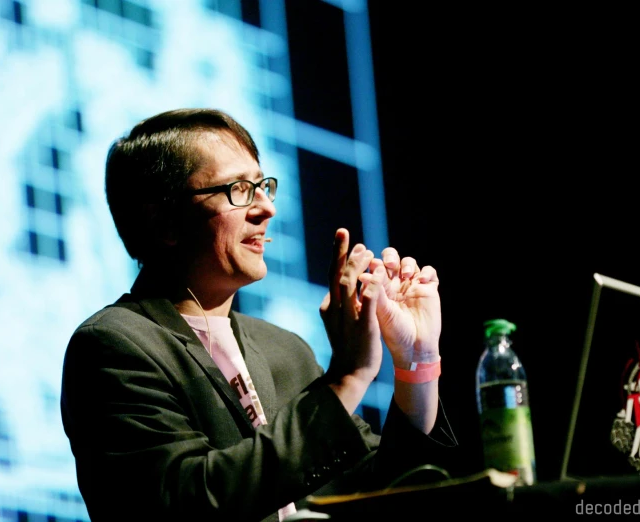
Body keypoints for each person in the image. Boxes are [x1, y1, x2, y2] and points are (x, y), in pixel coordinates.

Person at [59, 108, 457, 522]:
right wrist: (348, 377)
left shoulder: (284, 350)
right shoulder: (114, 344)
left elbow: (385, 490)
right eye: (239, 189)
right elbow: (189, 501)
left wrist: (417, 361)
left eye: (264, 186)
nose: (266, 209)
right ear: (164, 222)